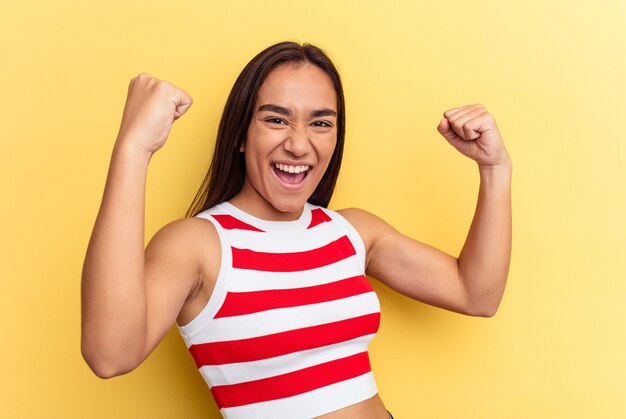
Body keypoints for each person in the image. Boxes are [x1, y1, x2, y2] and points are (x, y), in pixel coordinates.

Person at [81, 42, 512, 419]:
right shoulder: (200, 244)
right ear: (241, 134)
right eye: (276, 119)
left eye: (321, 123)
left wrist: (495, 169)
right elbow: (109, 353)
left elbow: (476, 293)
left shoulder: (351, 232)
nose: (299, 144)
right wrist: (134, 148)